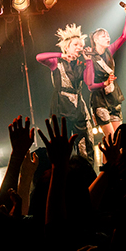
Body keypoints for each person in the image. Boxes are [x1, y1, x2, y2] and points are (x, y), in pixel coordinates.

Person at [37, 23, 95, 158]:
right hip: (61, 108)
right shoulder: (56, 63)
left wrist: (89, 61)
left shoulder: (81, 65)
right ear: (67, 47)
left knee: (84, 144)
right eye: (76, 45)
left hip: (78, 108)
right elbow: (39, 57)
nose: (79, 47)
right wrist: (61, 55)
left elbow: (89, 82)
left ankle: (86, 168)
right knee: (62, 146)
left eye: (81, 45)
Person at [86, 5, 126, 138]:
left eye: (108, 36)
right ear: (96, 40)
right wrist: (105, 83)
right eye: (104, 36)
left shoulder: (109, 51)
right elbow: (90, 84)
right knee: (110, 138)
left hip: (113, 97)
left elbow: (124, 36)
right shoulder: (90, 57)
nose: (108, 38)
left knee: (119, 137)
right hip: (100, 99)